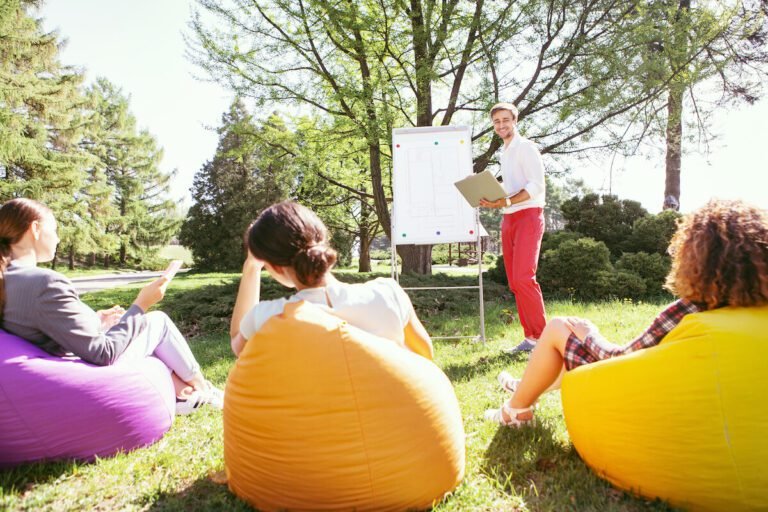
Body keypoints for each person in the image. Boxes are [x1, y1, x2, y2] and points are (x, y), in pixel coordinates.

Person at [485, 199, 768, 427]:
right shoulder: (756, 313)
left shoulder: (689, 310)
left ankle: (515, 410)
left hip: (641, 397)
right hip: (700, 402)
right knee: (570, 340)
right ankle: (524, 386)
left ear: (698, 257)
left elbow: (621, 358)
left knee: (561, 327)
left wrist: (589, 334)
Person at [0, 198, 222, 415]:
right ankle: (204, 389)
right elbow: (103, 353)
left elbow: (43, 324)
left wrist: (97, 320)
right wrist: (141, 304)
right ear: (36, 229)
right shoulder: (44, 282)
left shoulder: (8, 279)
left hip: (54, 364)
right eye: (55, 230)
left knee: (132, 328)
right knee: (157, 321)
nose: (58, 239)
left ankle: (183, 395)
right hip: (85, 373)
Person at [230, 200, 434, 360]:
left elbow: (238, 345)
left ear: (273, 266)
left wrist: (251, 267)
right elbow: (425, 355)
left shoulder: (266, 317)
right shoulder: (389, 293)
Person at [479, 102, 547, 353]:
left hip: (528, 216)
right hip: (509, 218)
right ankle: (531, 338)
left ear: (515, 121)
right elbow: (510, 190)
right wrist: (491, 199)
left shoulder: (525, 147)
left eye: (505, 120)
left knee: (524, 278)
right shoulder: (505, 152)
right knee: (515, 282)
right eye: (496, 122)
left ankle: (542, 337)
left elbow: (536, 186)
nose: (501, 125)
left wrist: (504, 200)